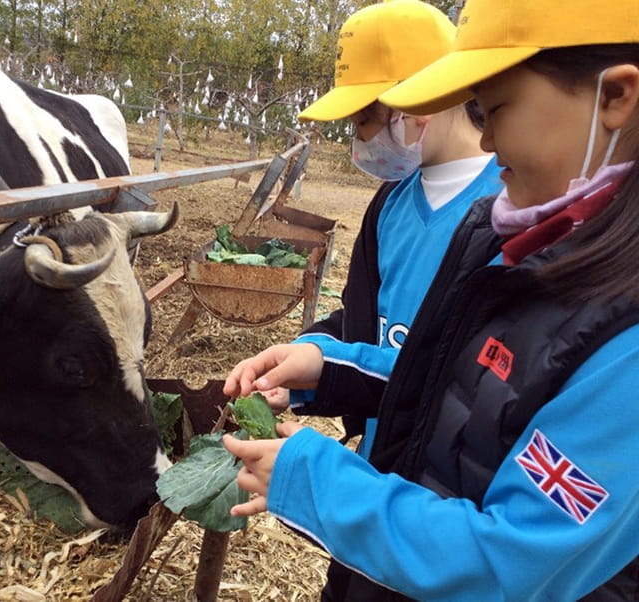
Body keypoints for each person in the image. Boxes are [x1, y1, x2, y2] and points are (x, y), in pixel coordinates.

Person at [222, 0, 639, 599]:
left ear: (615, 96)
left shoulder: (624, 342)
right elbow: (459, 381)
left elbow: (515, 563)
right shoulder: (504, 234)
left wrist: (323, 485)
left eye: (495, 107)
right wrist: (330, 367)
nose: (490, 139)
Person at [269, 0, 503, 465]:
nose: (360, 140)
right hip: (383, 461)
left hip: (452, 479)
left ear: (419, 101)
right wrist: (309, 357)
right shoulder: (389, 205)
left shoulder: (511, 204)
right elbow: (366, 320)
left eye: (363, 120)